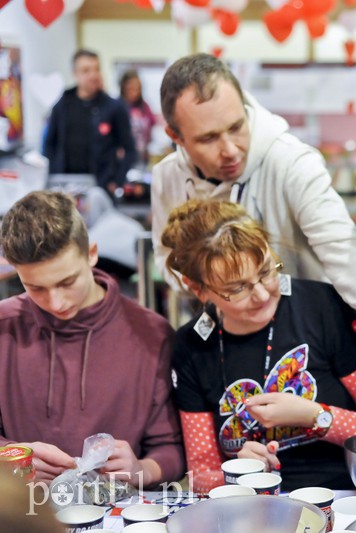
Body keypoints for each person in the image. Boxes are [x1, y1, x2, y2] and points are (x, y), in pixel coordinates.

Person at [150, 53, 356, 406]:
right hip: (234, 345)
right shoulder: (167, 177)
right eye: (208, 138)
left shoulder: (290, 161)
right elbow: (172, 263)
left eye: (236, 127)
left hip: (317, 345)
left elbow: (347, 253)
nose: (230, 149)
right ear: (175, 136)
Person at [164, 199, 356, 493]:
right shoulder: (192, 346)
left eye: (266, 272)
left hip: (345, 494)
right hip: (250, 504)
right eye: (237, 288)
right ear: (197, 288)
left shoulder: (321, 307)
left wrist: (317, 417)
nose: (262, 294)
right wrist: (234, 471)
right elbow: (200, 473)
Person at [0, 191, 184, 488]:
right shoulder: (4, 328)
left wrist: (142, 469)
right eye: (36, 288)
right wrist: (11, 457)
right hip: (22, 516)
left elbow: (172, 448)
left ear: (92, 253)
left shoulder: (152, 334)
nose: (56, 302)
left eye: (67, 282)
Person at [44, 49, 136, 197]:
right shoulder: (62, 105)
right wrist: (54, 175)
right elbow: (49, 144)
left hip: (101, 188)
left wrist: (117, 180)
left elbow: (130, 149)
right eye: (86, 70)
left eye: (96, 69)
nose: (93, 75)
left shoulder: (114, 108)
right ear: (75, 74)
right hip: (66, 187)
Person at [119, 69, 157, 169]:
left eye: (137, 87)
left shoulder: (144, 106)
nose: (134, 91)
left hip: (142, 155)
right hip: (123, 157)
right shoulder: (118, 106)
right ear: (124, 87)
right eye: (131, 87)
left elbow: (152, 124)